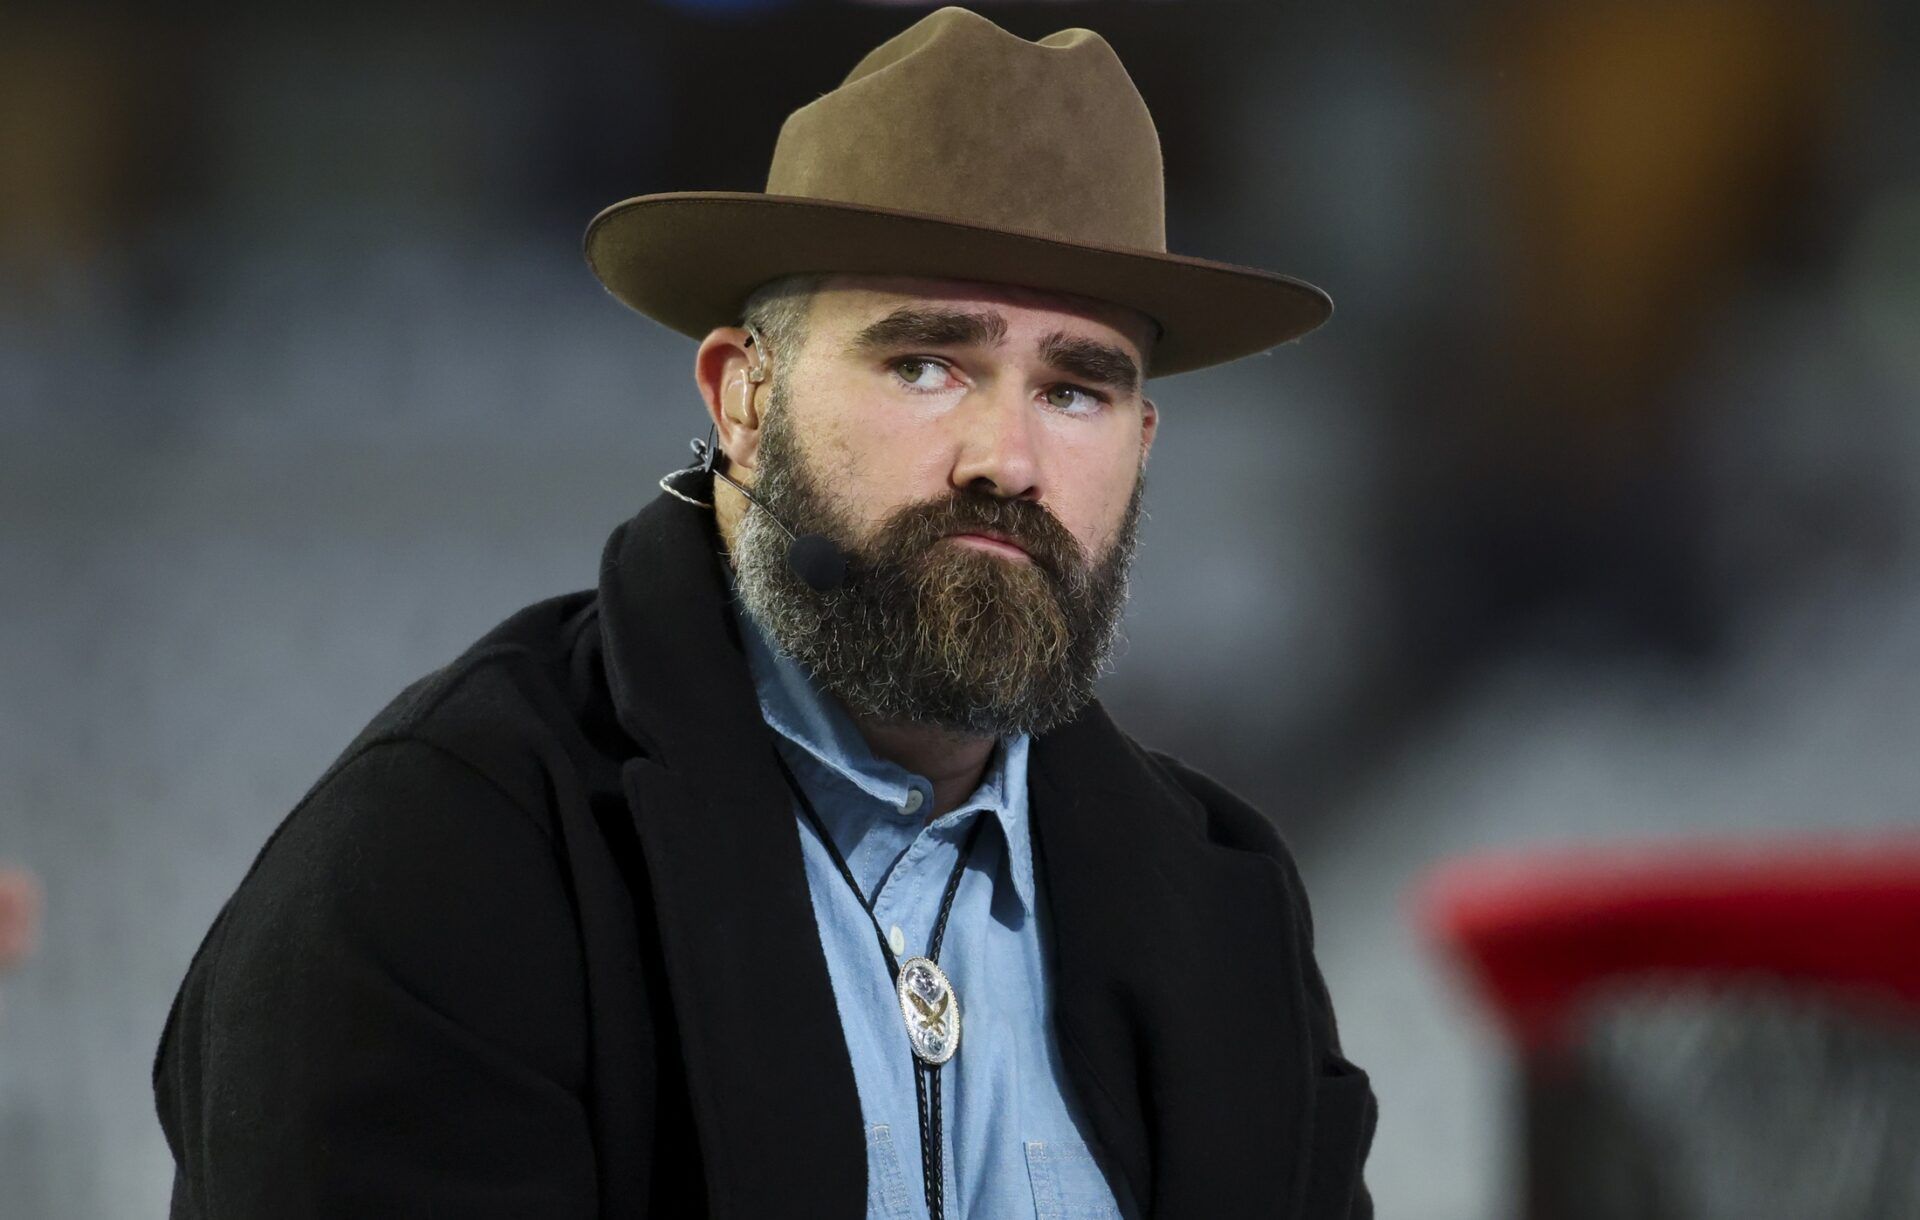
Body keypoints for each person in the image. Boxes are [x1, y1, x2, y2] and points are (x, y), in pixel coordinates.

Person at [153, 8, 1377, 1217]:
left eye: (1075, 389)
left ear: (1141, 444)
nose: (1005, 457)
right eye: (925, 363)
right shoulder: (447, 855)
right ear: (742, 396)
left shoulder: (1229, 915)